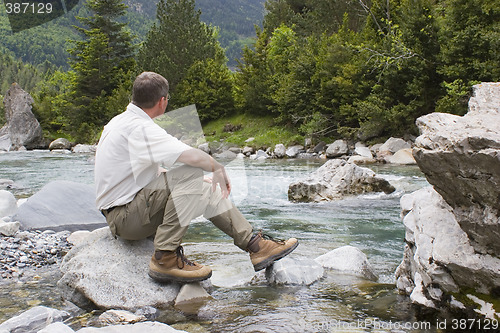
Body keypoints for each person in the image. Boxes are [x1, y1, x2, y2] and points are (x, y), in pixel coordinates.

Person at [94, 71, 298, 283]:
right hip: (125, 218)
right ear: (162, 101)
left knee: (203, 187)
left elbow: (140, 174)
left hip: (124, 212)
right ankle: (165, 258)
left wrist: (195, 183)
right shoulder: (140, 128)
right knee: (192, 172)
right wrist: (217, 167)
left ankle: (255, 246)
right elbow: (189, 156)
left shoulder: (120, 122)